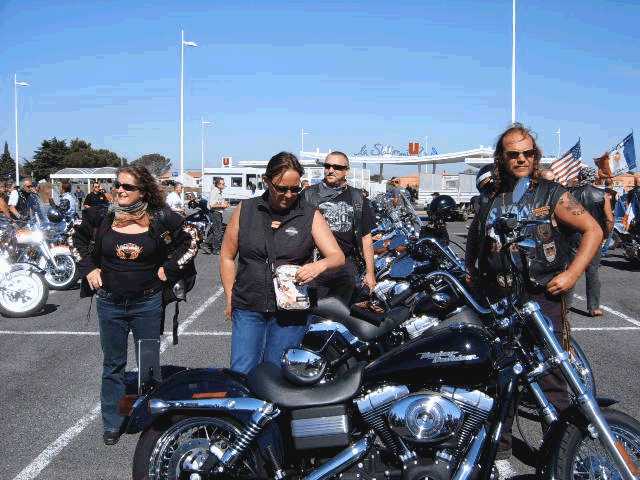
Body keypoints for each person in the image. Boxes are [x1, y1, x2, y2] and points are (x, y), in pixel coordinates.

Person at [465, 123, 602, 458]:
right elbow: (476, 249)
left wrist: (572, 274)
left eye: (527, 153)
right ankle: (499, 453)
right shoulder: (491, 198)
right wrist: (473, 281)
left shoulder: (552, 193)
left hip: (542, 298)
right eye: (513, 154)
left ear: (535, 155)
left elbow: (593, 230)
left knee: (552, 376)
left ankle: (561, 452)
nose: (521, 159)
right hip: (499, 301)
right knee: (500, 376)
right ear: (501, 158)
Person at [70, 165, 198, 445]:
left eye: (128, 186)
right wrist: (88, 268)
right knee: (113, 364)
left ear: (144, 192)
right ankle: (112, 422)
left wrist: (170, 268)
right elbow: (73, 237)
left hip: (147, 303)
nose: (120, 190)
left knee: (148, 365)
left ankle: (153, 422)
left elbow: (191, 240)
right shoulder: (101, 216)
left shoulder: (161, 218)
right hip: (109, 303)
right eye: (117, 184)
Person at [220, 152, 344, 374]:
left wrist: (317, 266)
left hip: (291, 311)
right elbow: (227, 257)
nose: (289, 195)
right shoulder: (245, 210)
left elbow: (337, 256)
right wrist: (230, 297)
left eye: (295, 189)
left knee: (277, 373)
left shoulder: (310, 215)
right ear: (267, 181)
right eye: (281, 188)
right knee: (242, 372)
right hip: (249, 305)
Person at [301, 151, 377, 304]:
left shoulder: (357, 197)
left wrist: (370, 273)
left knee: (343, 313)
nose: (330, 170)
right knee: (313, 311)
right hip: (315, 265)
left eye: (336, 167)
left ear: (346, 171)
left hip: (345, 267)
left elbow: (366, 238)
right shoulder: (308, 195)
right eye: (327, 166)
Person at [569, 167, 612, 317]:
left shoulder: (571, 194)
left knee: (571, 269)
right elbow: (609, 219)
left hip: (574, 235)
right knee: (592, 270)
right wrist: (605, 235)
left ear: (580, 177)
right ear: (594, 178)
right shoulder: (602, 195)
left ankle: (565, 304)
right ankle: (594, 307)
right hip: (594, 236)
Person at [208, 177, 230, 254]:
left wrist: (225, 204)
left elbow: (218, 202)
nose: (224, 185)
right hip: (215, 213)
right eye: (222, 184)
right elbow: (212, 205)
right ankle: (215, 249)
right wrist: (222, 206)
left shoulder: (219, 191)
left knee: (217, 230)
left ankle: (206, 244)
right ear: (218, 184)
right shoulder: (215, 191)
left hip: (218, 212)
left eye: (224, 184)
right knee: (218, 231)